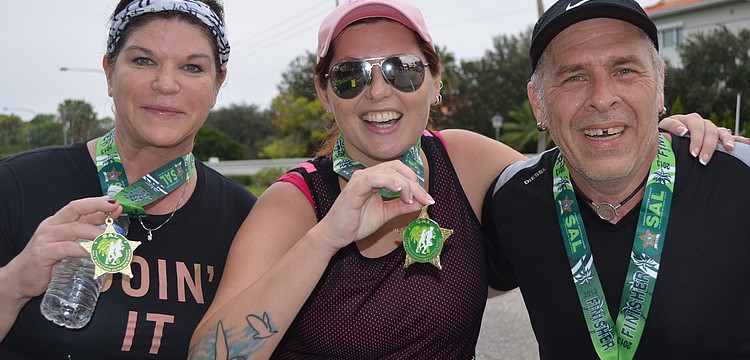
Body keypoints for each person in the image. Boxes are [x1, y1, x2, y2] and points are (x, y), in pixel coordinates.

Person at [188, 1, 741, 359]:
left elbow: (588, 165)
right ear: (325, 93)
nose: (378, 92)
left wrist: (665, 134)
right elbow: (209, 354)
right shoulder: (294, 203)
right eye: (350, 76)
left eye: (401, 69)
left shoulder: (469, 162)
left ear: (434, 79)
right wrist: (327, 238)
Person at [483, 0, 750, 358]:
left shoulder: (739, 180)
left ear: (659, 85)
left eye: (624, 70)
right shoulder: (513, 199)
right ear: (538, 102)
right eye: (574, 76)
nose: (602, 98)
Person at [0, 1, 256, 358]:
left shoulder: (248, 220)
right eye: (143, 60)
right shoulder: (15, 186)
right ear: (109, 71)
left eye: (192, 67)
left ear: (217, 83)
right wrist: (13, 283)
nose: (166, 84)